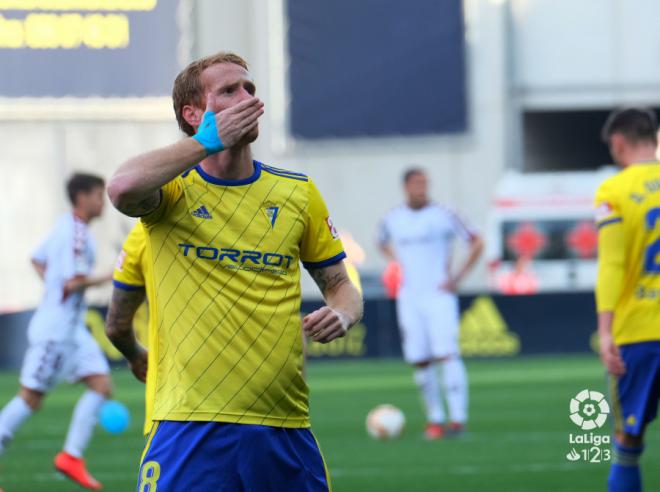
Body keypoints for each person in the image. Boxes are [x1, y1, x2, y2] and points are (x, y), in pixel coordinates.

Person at [106, 52, 363, 491]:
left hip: (283, 425)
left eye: (250, 89)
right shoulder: (171, 191)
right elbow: (122, 187)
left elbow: (341, 285)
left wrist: (342, 313)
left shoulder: (296, 193)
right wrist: (207, 143)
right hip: (191, 424)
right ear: (194, 114)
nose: (248, 98)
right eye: (229, 90)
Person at [0, 173, 112, 490]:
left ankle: (71, 457)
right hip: (56, 330)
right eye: (98, 195)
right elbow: (72, 283)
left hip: (72, 328)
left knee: (101, 384)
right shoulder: (76, 235)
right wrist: (109, 276)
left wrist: (53, 288)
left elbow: (37, 259)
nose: (102, 201)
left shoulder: (67, 227)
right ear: (81, 197)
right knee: (31, 397)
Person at [378, 168, 483, 439]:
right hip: (409, 297)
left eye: (424, 183)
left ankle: (458, 420)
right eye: (416, 184)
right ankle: (435, 420)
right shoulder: (393, 218)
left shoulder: (444, 214)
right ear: (405, 187)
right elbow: (381, 242)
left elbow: (477, 241)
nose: (421, 188)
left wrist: (457, 277)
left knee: (447, 354)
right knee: (421, 360)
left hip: (439, 295)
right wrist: (397, 262)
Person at [595, 107, 660, 492]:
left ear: (618, 143)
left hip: (639, 331)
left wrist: (605, 332)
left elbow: (612, 265)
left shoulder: (614, 191)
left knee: (628, 442)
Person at [105, 222, 153, 436]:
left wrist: (135, 356)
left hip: (179, 411)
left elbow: (116, 327)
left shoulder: (143, 234)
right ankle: (72, 454)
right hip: (261, 405)